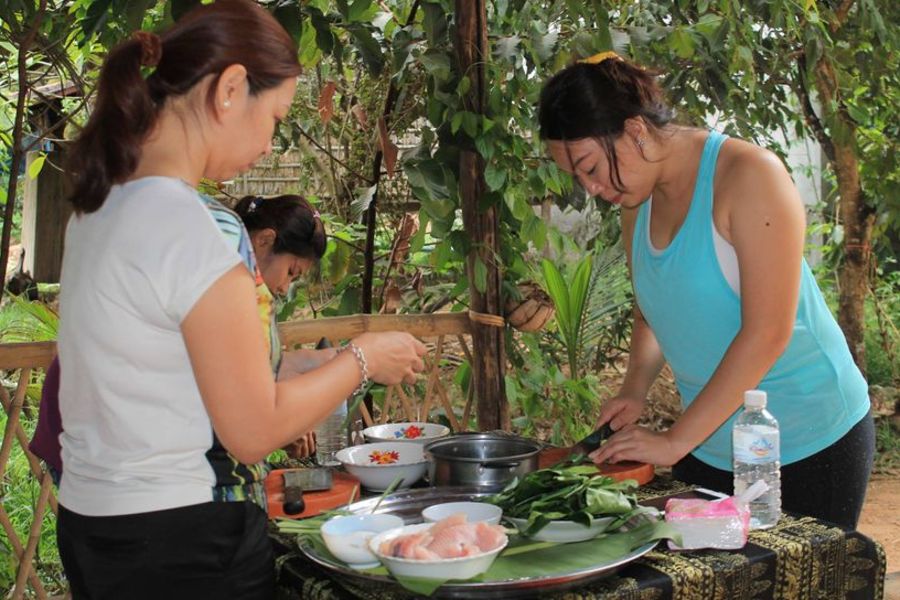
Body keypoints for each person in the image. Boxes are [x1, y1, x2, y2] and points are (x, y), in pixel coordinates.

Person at [55, 2, 426, 599]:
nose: (270, 139)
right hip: (187, 539)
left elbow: (171, 378)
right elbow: (254, 432)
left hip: (96, 527)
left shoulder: (100, 209)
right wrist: (361, 358)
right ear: (230, 90)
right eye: (275, 115)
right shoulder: (189, 228)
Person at [538, 51, 873, 529]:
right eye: (578, 177)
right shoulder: (636, 199)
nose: (589, 188)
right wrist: (635, 389)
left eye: (590, 167)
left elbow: (768, 332)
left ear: (634, 131)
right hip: (710, 442)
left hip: (808, 439)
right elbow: (652, 309)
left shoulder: (749, 176)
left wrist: (675, 440)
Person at [29, 193, 328, 482]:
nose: (284, 288)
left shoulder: (232, 279)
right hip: (94, 433)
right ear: (264, 240)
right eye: (290, 272)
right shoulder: (208, 266)